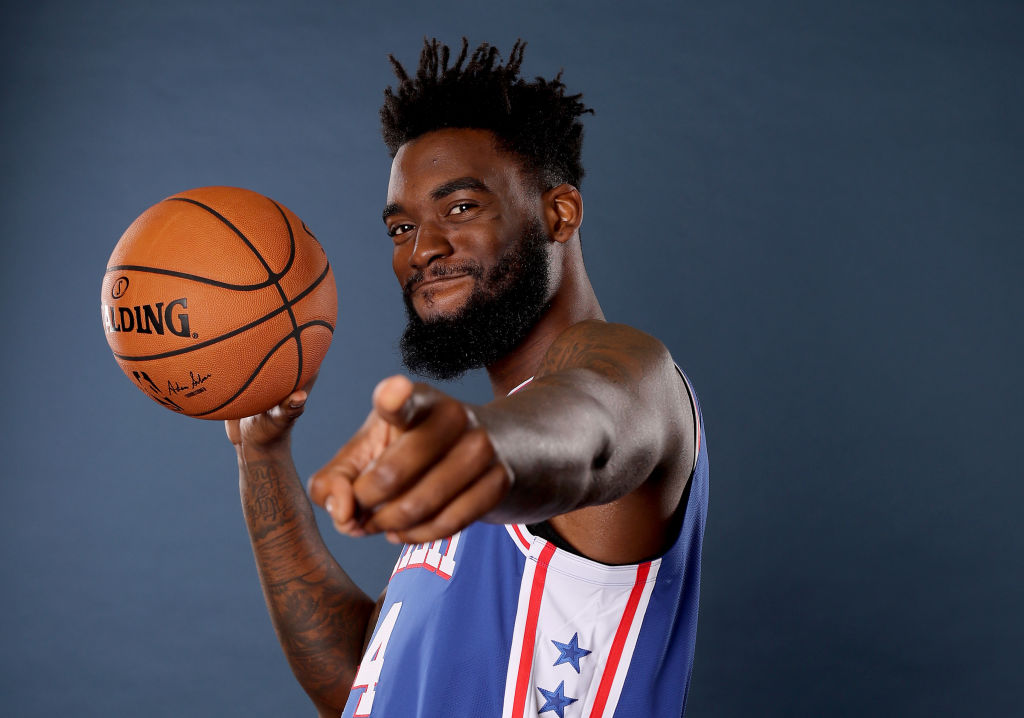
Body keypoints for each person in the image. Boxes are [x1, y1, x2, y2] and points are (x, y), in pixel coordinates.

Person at [226, 38, 708, 718]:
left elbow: (586, 428)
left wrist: (486, 442)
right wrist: (261, 457)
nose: (423, 249)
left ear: (558, 213)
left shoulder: (631, 377)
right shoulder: (473, 482)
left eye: (460, 209)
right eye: (401, 227)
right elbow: (366, 684)